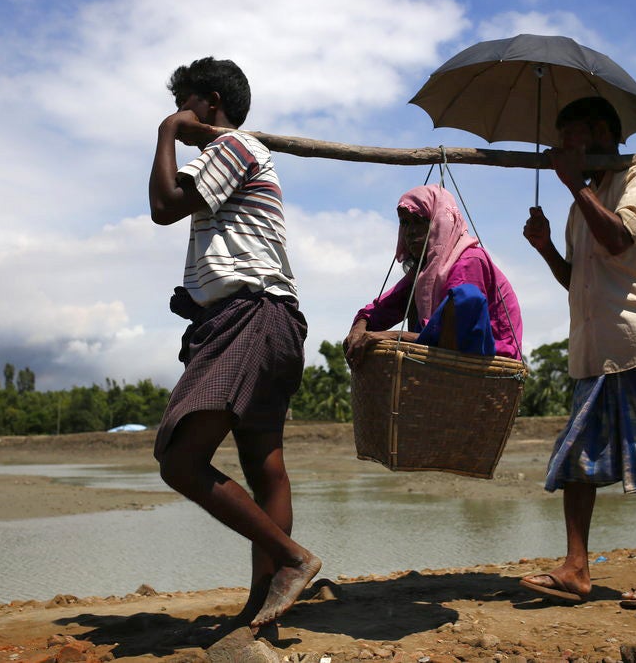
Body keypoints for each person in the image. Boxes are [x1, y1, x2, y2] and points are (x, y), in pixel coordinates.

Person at [148, 56, 320, 630]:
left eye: (186, 102)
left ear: (210, 104)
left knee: (180, 460)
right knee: (263, 465)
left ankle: (294, 562)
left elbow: (164, 207)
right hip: (269, 315)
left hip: (249, 315)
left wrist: (167, 132)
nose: (179, 112)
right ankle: (261, 608)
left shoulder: (234, 149)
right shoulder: (235, 154)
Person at [520, 96, 636, 607]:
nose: (559, 149)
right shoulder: (582, 203)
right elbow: (578, 280)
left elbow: (618, 238)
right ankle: (576, 568)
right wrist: (547, 246)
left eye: (567, 137)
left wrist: (573, 183)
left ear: (597, 131)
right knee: (577, 456)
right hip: (594, 349)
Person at [344, 184, 523, 366]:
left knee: (464, 297)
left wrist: (393, 336)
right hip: (448, 354)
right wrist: (360, 328)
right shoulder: (425, 270)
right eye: (405, 223)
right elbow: (380, 309)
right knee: (411, 295)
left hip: (491, 357)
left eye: (420, 221)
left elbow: (461, 327)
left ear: (441, 222)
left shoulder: (469, 260)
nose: (411, 232)